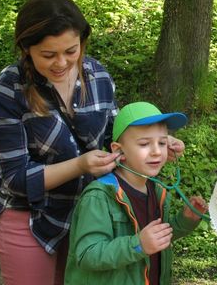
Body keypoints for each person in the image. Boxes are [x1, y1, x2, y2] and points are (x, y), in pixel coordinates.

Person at [0, 0, 184, 285]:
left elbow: (114, 138)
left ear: (82, 42)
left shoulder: (98, 76)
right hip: (32, 220)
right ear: (26, 49)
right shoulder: (7, 90)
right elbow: (13, 179)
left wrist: (152, 146)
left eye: (71, 51)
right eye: (48, 55)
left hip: (96, 216)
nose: (61, 63)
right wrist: (80, 165)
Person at [64, 102, 208, 285]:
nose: (156, 151)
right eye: (144, 144)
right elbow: (87, 254)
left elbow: (156, 238)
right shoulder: (99, 196)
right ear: (118, 150)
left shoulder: (156, 191)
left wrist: (186, 220)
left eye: (162, 142)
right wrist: (138, 245)